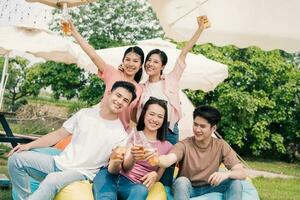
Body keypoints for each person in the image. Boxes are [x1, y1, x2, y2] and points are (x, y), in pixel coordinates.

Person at [7, 81, 136, 200]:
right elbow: (58, 134)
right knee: (16, 159)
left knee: (52, 180)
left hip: (82, 172)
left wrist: (117, 160)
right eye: (118, 95)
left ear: (127, 105)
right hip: (59, 162)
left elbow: (115, 168)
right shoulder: (85, 114)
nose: (120, 101)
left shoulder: (120, 135)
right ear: (109, 93)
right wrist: (28, 146)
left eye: (125, 100)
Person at [136, 15, 210, 186]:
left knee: (166, 168)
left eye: (155, 62)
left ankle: (165, 193)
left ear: (162, 66)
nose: (150, 64)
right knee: (145, 165)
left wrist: (199, 29)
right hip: (147, 130)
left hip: (168, 130)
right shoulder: (142, 87)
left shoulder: (171, 79)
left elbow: (184, 53)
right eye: (148, 61)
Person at [153, 105, 247, 200]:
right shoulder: (184, 144)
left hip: (211, 186)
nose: (197, 130)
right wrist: (157, 159)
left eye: (202, 126)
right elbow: (170, 158)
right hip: (188, 187)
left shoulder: (221, 145)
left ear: (213, 128)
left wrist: (226, 174)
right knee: (181, 181)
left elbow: (241, 172)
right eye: (195, 124)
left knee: (235, 183)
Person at [69, 21, 144, 133]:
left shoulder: (140, 89)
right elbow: (93, 55)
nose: (130, 64)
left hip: (120, 133)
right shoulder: (112, 73)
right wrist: (74, 33)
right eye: (127, 59)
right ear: (123, 61)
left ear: (141, 65)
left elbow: (133, 116)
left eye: (135, 61)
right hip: (99, 126)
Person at [93, 97, 173, 200]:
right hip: (111, 176)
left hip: (132, 186)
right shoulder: (131, 134)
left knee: (141, 190)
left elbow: (158, 175)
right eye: (151, 114)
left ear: (164, 120)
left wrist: (155, 174)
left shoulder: (168, 146)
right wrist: (133, 156)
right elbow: (125, 167)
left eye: (160, 116)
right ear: (144, 114)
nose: (155, 119)